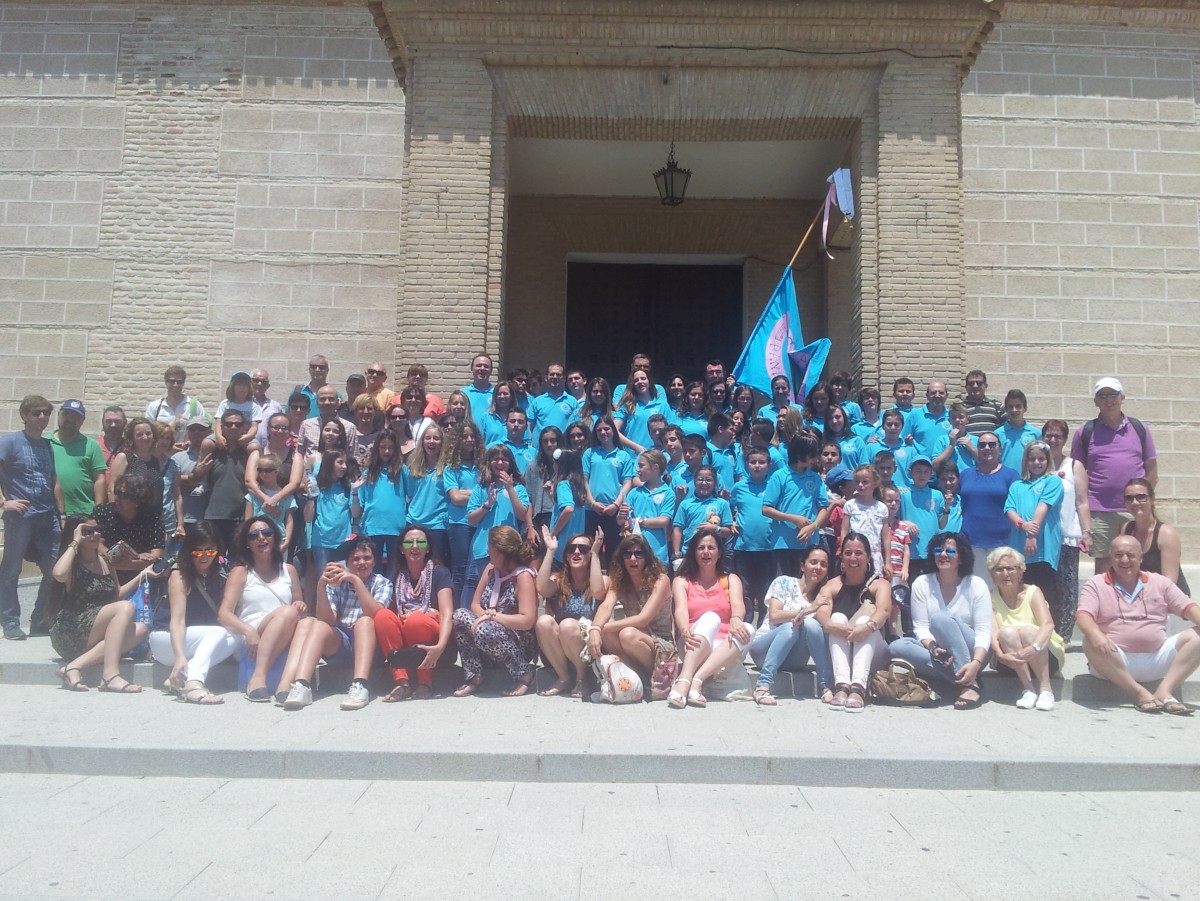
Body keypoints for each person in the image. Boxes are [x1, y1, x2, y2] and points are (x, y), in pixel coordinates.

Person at [1078, 535, 1199, 715]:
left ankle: (1164, 691)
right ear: (1111, 558)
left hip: (1158, 657)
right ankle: (1139, 693)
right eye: (1118, 555)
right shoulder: (1096, 584)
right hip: (1116, 660)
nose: (1125, 560)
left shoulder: (1159, 582)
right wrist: (1096, 635)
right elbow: (1083, 616)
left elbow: (1189, 608)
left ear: (1141, 558)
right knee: (1089, 640)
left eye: (1131, 555)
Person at [280, 536, 385, 710]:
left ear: (374, 562)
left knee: (365, 621)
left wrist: (356, 581)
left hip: (371, 647)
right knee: (319, 625)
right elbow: (327, 620)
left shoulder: (382, 583)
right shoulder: (337, 584)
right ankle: (302, 685)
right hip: (342, 644)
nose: (361, 563)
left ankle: (360, 685)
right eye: (356, 559)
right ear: (348, 563)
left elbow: (376, 614)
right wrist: (322, 585)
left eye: (367, 558)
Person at [48, 516, 151, 693]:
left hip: (95, 628)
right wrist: (74, 542)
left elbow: (116, 593)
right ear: (77, 534)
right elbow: (58, 574)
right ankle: (110, 675)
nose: (95, 534)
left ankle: (73, 667)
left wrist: (143, 575)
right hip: (71, 628)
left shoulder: (105, 559)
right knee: (126, 607)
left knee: (141, 629)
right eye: (87, 531)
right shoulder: (72, 563)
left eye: (97, 529)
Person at [889, 532, 991, 709]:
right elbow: (920, 627)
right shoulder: (922, 583)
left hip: (973, 650)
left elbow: (983, 631)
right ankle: (961, 677)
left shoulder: (976, 584)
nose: (943, 555)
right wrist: (934, 648)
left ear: (961, 558)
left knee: (940, 618)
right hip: (940, 651)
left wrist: (976, 663)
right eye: (938, 550)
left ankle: (969, 682)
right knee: (896, 647)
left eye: (950, 552)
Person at [1071, 378, 1157, 575]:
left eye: (1113, 395)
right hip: (1100, 512)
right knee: (1104, 567)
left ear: (1122, 398)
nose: (1108, 400)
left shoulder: (1139, 428)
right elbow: (1079, 474)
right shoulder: (1085, 432)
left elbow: (1152, 469)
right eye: (1103, 396)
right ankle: (1105, 604)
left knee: (1138, 561)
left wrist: (1143, 500)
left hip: (1134, 510)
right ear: (1096, 401)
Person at [147, 522, 240, 704]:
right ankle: (194, 682)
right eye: (198, 551)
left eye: (210, 551)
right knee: (219, 632)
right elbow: (177, 621)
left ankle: (182, 677)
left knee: (238, 636)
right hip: (166, 639)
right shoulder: (179, 574)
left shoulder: (221, 571)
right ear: (189, 551)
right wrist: (180, 657)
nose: (204, 557)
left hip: (197, 640)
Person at [216, 516, 306, 702]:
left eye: (267, 533)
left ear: (275, 538)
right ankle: (258, 677)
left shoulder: (289, 570)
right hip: (252, 634)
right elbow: (224, 614)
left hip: (285, 629)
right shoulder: (241, 571)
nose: (261, 538)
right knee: (288, 611)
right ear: (247, 543)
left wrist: (302, 606)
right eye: (253, 535)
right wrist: (249, 632)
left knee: (300, 618)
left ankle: (282, 682)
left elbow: (300, 608)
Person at [451, 524, 538, 697]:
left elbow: (527, 620)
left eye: (489, 546)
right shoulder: (491, 570)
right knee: (460, 615)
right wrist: (486, 616)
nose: (487, 550)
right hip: (488, 631)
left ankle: (524, 673)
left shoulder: (523, 576)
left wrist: (493, 618)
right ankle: (474, 674)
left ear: (498, 551)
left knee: (485, 630)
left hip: (518, 640)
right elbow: (475, 604)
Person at [370, 524, 454, 701]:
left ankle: (425, 682)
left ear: (428, 548)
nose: (415, 546)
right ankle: (402, 682)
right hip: (406, 631)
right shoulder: (396, 575)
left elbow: (447, 614)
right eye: (409, 543)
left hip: (433, 635)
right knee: (382, 616)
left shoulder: (440, 573)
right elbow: (390, 613)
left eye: (421, 542)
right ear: (401, 549)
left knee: (416, 620)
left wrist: (440, 647)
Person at [668, 531, 751, 708]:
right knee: (711, 618)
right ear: (694, 553)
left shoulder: (730, 579)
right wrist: (684, 630)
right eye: (701, 548)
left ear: (719, 553)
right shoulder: (682, 580)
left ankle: (697, 680)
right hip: (693, 643)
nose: (706, 552)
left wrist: (736, 618)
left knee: (748, 629)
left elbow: (738, 605)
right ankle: (684, 680)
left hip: (723, 646)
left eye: (711, 547)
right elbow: (680, 610)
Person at [0, 395, 60, 640]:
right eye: (36, 413)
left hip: (48, 515)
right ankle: (10, 621)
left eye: (45, 413)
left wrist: (62, 513)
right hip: (21, 517)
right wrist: (4, 503)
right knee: (12, 569)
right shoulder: (10, 442)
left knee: (55, 569)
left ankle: (40, 620)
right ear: (24, 416)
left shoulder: (47, 445)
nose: (42, 418)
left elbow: (54, 481)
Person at [813, 532, 892, 712]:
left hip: (874, 651)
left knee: (866, 620)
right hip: (843, 648)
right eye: (848, 553)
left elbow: (884, 610)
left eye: (858, 553)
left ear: (868, 557)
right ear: (841, 557)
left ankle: (858, 687)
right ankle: (842, 685)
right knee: (837, 617)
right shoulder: (832, 585)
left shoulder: (880, 584)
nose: (853, 558)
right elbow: (822, 612)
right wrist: (831, 625)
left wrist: (866, 628)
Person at [748, 545, 833, 705]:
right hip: (764, 650)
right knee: (789, 627)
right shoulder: (784, 582)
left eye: (823, 564)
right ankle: (762, 685)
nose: (818, 567)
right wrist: (810, 609)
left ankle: (826, 685)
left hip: (795, 658)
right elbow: (775, 616)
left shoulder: (823, 596)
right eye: (813, 562)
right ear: (802, 565)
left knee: (812, 626)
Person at [535, 526, 606, 697]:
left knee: (567, 625)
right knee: (543, 621)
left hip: (590, 649)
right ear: (566, 556)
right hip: (560, 651)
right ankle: (564, 678)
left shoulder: (602, 579)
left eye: (583, 549)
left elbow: (597, 592)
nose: (576, 552)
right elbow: (542, 588)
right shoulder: (559, 580)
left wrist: (595, 555)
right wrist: (551, 551)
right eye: (571, 549)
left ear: (590, 554)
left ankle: (582, 679)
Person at [988, 546, 1062, 711]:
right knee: (1006, 632)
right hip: (1010, 660)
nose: (1005, 574)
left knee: (1028, 631)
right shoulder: (990, 597)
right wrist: (1000, 656)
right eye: (999, 569)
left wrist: (1032, 649)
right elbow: (992, 632)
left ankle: (1046, 690)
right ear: (991, 574)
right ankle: (1028, 689)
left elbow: (1048, 624)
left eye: (1010, 568)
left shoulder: (1033, 592)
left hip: (1044, 655)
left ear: (1021, 571)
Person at [589, 534, 674, 676]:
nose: (633, 559)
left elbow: (643, 619)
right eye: (627, 554)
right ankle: (633, 674)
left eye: (638, 554)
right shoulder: (620, 581)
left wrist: (601, 627)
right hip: (634, 638)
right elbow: (606, 606)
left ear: (647, 557)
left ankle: (650, 675)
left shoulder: (661, 580)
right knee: (608, 634)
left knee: (626, 634)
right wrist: (596, 629)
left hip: (659, 641)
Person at [1042, 418, 1090, 642]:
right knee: (1044, 585)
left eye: (1057, 436)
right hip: (1041, 537)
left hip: (1066, 536)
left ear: (1064, 439)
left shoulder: (1074, 466)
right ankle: (1046, 631)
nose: (1052, 439)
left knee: (1067, 587)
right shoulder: (1036, 463)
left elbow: (1082, 502)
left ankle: (1064, 636)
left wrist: (1087, 532)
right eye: (1049, 435)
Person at [464, 445, 529, 608]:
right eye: (495, 459)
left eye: (504, 459)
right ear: (489, 462)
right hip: (483, 549)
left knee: (505, 593)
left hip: (509, 549)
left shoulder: (519, 488)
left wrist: (510, 490)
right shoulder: (481, 488)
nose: (499, 462)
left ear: (510, 463)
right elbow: (471, 519)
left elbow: (522, 515)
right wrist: (488, 504)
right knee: (482, 591)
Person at [1003, 440, 1064, 612]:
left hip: (1043, 548)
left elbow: (1043, 506)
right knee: (1021, 592)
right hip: (1019, 548)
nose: (1036, 463)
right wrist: (1022, 525)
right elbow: (1009, 509)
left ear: (1047, 460)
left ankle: (1051, 632)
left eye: (1041, 459)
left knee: (1045, 593)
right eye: (1032, 459)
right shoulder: (1017, 485)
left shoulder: (1053, 481)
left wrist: (1032, 535)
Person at [761, 432, 829, 577]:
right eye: (812, 455)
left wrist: (813, 526)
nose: (816, 459)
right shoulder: (780, 476)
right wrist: (793, 519)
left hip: (809, 544)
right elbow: (766, 509)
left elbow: (824, 508)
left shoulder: (815, 478)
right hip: (783, 544)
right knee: (783, 586)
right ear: (799, 453)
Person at [959, 431, 1019, 585]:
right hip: (971, 542)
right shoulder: (965, 475)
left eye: (992, 444)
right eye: (982, 445)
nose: (987, 448)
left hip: (1001, 542)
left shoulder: (1011, 476)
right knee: (976, 588)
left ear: (1000, 448)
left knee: (1001, 588)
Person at [729, 447, 775, 626]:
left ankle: (764, 625)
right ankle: (746, 625)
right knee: (745, 590)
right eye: (753, 462)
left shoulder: (773, 486)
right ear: (747, 464)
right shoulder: (739, 487)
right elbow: (729, 506)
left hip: (768, 547)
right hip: (744, 547)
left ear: (769, 465)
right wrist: (731, 521)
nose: (757, 466)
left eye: (761, 462)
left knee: (765, 589)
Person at [1120, 478, 1188, 594]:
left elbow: (1169, 582)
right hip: (1139, 595)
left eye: (1141, 497)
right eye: (1129, 498)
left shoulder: (1166, 533)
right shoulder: (1127, 529)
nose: (1135, 502)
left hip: (1170, 599)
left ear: (1152, 499)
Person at [352, 430, 406, 577]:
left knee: (394, 570)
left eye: (390, 447)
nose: (387, 451)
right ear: (377, 448)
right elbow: (360, 504)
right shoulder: (368, 473)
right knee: (373, 570)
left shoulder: (402, 471)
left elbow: (412, 495)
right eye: (383, 447)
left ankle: (392, 600)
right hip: (373, 527)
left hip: (396, 528)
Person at [93, 473, 164, 584]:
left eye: (123, 495)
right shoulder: (103, 512)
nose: (117, 498)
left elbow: (156, 555)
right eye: (116, 493)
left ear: (138, 500)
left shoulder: (153, 519)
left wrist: (131, 564)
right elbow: (97, 544)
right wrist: (121, 559)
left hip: (140, 577)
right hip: (106, 573)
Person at [582, 416, 633, 563]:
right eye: (599, 430)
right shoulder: (590, 453)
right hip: (592, 510)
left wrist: (616, 504)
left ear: (613, 430)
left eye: (606, 428)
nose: (603, 432)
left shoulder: (623, 455)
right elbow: (584, 480)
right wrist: (591, 502)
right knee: (591, 550)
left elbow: (627, 482)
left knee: (614, 552)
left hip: (614, 512)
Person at [443, 422, 483, 603]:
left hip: (482, 522)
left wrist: (464, 492)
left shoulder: (484, 465)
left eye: (472, 436)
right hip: (460, 523)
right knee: (460, 570)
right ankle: (458, 612)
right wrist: (479, 494)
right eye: (464, 436)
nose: (468, 440)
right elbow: (455, 498)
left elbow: (462, 495)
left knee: (477, 570)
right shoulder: (451, 467)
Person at [204, 410, 252, 555]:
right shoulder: (211, 451)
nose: (233, 427)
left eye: (238, 424)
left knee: (237, 561)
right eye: (229, 424)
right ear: (222, 427)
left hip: (240, 517)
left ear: (244, 428)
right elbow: (199, 478)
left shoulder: (248, 453)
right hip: (213, 515)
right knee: (213, 560)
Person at [618, 449, 675, 567]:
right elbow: (621, 522)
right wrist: (621, 515)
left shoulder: (668, 493)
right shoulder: (634, 493)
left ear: (655, 467)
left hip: (657, 554)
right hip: (635, 553)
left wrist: (638, 521)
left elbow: (663, 520)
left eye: (641, 466)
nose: (637, 470)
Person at [50, 399, 106, 518]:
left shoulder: (91, 445)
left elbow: (99, 480)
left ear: (82, 420)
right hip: (49, 513)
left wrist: (98, 512)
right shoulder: (45, 442)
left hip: (83, 512)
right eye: (66, 414)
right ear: (58, 415)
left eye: (75, 416)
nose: (70, 419)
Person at [403, 422, 449, 563]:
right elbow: (409, 494)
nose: (432, 441)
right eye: (428, 438)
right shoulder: (411, 467)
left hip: (437, 525)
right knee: (414, 564)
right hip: (414, 523)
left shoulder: (448, 467)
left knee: (436, 565)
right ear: (422, 441)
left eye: (436, 438)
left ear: (442, 442)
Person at [107, 416, 164, 508]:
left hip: (154, 517)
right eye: (139, 434)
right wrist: (116, 515)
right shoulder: (124, 458)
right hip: (129, 517)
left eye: (148, 433)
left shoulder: (155, 461)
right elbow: (112, 490)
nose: (145, 437)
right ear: (132, 437)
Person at [145, 366, 207, 445]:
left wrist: (191, 442)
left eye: (179, 382)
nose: (175, 385)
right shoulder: (155, 407)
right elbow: (148, 433)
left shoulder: (194, 406)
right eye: (171, 381)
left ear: (183, 383)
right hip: (160, 455)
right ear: (166, 382)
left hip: (186, 454)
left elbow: (204, 431)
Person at [298, 385, 359, 459]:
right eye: (323, 399)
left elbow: (353, 456)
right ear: (317, 403)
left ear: (338, 402)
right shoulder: (306, 425)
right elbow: (299, 454)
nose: (327, 402)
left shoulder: (349, 427)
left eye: (331, 399)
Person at [213, 371, 263, 451]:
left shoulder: (253, 406)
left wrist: (249, 436)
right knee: (207, 443)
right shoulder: (225, 404)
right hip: (225, 435)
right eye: (238, 384)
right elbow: (218, 423)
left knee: (254, 448)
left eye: (245, 385)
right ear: (232, 387)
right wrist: (219, 436)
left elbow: (254, 426)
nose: (242, 387)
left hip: (244, 436)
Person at [999, 389, 1040, 472]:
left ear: (1025, 408)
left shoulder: (1036, 434)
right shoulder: (998, 434)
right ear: (1006, 409)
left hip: (1028, 480)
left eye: (1018, 406)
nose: (1014, 410)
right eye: (1010, 407)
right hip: (1005, 481)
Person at [960, 370, 1004, 436]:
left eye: (979, 383)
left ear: (985, 386)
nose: (975, 386)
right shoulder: (959, 408)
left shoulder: (997, 406)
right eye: (971, 383)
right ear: (966, 387)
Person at [249, 369, 282, 447]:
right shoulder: (243, 404)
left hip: (269, 451)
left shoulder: (275, 406)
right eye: (256, 380)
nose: (260, 384)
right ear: (250, 382)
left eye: (264, 382)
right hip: (247, 450)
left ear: (268, 386)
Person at [461, 353, 495, 423]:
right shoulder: (462, 394)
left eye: (486, 366)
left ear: (491, 370)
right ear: (472, 369)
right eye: (478, 366)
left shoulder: (497, 395)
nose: (482, 368)